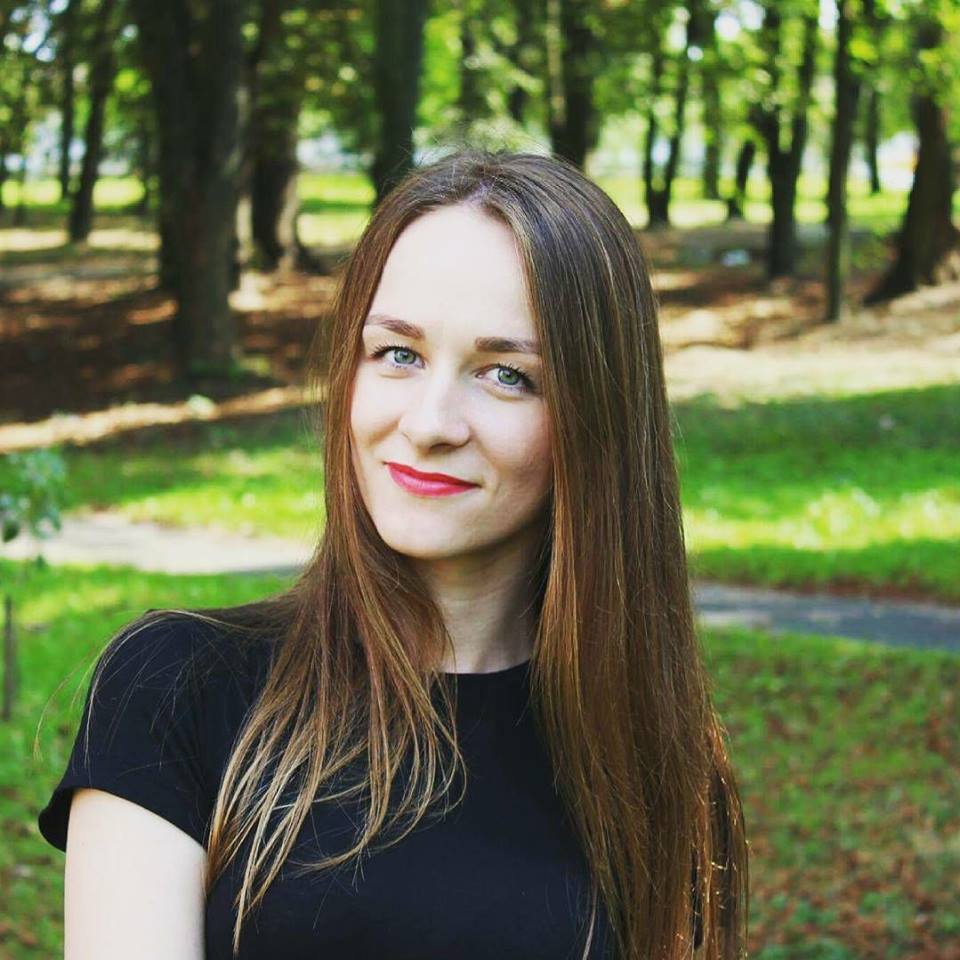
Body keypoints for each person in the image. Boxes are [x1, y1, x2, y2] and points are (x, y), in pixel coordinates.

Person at [37, 148, 748, 960]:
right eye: (399, 354)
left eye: (506, 374)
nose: (429, 423)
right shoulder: (176, 688)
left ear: (596, 420)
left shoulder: (656, 762)